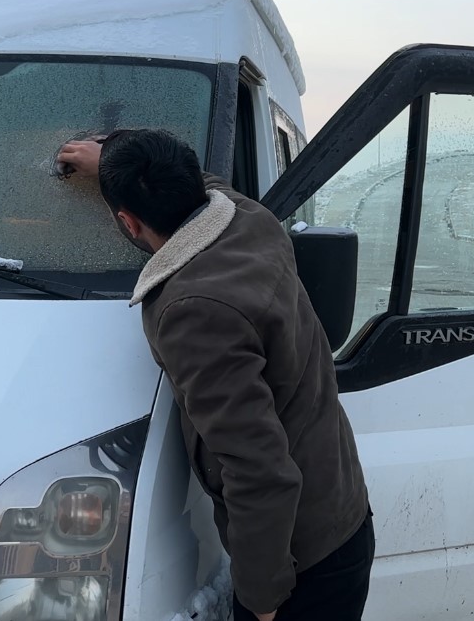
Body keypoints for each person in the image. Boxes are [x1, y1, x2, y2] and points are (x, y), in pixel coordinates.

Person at [56, 129, 373, 621]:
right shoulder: (250, 218)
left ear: (128, 222)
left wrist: (263, 600)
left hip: (303, 563)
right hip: (339, 509)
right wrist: (117, 158)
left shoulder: (195, 311)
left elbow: (257, 468)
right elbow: (202, 185)